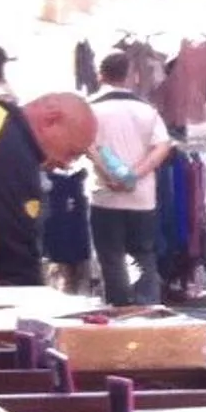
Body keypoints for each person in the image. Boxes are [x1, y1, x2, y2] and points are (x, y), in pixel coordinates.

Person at [87, 50, 175, 305]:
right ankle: (147, 312)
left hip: (104, 196)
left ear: (100, 75)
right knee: (143, 256)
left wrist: (110, 175)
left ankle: (120, 315)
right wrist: (135, 175)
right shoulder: (147, 111)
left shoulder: (90, 110)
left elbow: (87, 146)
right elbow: (162, 146)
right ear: (132, 77)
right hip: (141, 198)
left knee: (111, 258)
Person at [0, 93, 94, 285]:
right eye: (72, 153)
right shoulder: (14, 153)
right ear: (51, 120)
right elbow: (14, 258)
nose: (65, 164)